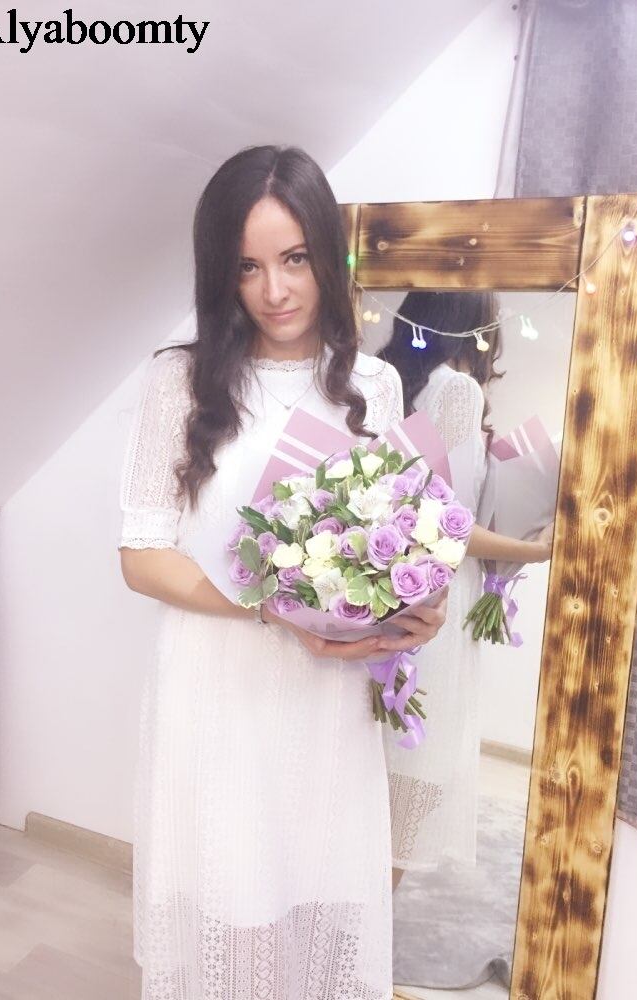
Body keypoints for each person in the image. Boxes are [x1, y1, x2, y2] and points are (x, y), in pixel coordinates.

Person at [117, 146, 447, 1000]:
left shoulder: (373, 384)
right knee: (229, 907)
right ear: (219, 273)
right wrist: (270, 609)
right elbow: (142, 555)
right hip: (216, 687)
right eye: (248, 267)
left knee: (317, 906)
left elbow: (397, 535)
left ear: (327, 254)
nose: (275, 290)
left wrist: (417, 604)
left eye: (295, 258)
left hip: (325, 696)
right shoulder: (179, 381)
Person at [377, 291, 552, 890]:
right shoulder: (456, 390)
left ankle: (347, 926)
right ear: (477, 327)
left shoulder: (392, 384)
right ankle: (366, 933)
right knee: (412, 786)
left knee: (382, 782)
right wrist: (537, 549)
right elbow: (440, 521)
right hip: (435, 610)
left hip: (393, 595)